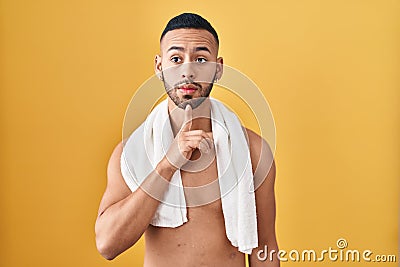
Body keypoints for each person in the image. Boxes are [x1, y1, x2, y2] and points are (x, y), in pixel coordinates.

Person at [95, 12, 279, 267]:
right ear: (159, 67)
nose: (188, 71)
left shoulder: (253, 151)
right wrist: (168, 163)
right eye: (176, 58)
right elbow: (107, 245)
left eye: (201, 59)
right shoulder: (131, 153)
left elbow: (265, 247)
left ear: (218, 68)